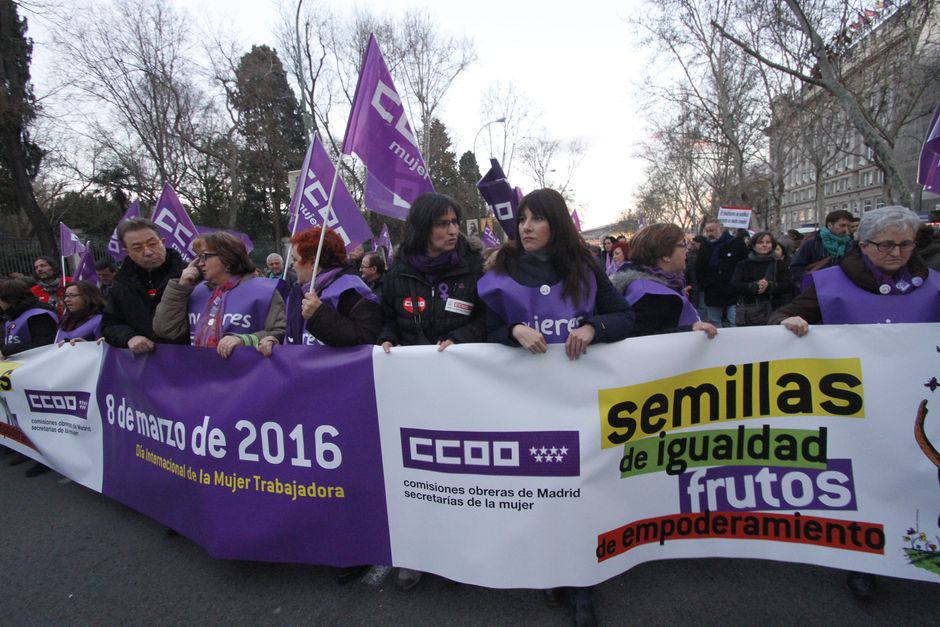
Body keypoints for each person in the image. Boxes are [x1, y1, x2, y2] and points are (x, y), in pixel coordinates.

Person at [479, 188, 634, 625]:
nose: (525, 227)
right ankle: (551, 567)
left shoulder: (583, 267)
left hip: (580, 403)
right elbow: (486, 328)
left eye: (536, 219)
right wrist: (512, 330)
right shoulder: (503, 268)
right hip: (526, 403)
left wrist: (593, 327)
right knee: (543, 491)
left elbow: (624, 316)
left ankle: (583, 584)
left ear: (556, 224)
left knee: (580, 489)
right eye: (522, 219)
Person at [770, 205, 940, 598]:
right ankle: (865, 562)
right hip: (855, 408)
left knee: (916, 478)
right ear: (863, 245)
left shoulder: (933, 284)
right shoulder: (828, 282)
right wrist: (789, 324)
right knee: (865, 482)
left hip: (916, 404)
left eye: (905, 244)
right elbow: (782, 316)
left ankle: (918, 545)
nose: (897, 253)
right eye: (886, 245)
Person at [378, 192, 485, 591]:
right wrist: (386, 338)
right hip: (414, 395)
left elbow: (488, 320)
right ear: (423, 228)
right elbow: (386, 317)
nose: (453, 230)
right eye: (443, 223)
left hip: (465, 392)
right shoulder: (398, 272)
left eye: (455, 221)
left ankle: (470, 547)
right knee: (418, 472)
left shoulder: (475, 268)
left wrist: (461, 338)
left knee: (463, 471)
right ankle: (418, 552)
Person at [153, 232, 285, 358]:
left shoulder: (264, 291)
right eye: (198, 257)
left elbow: (280, 333)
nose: (200, 263)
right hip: (200, 374)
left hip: (246, 376)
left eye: (204, 256)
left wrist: (244, 340)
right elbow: (165, 330)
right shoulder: (194, 291)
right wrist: (181, 286)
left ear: (227, 258)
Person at [269, 226, 381, 350]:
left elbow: (368, 339)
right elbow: (293, 335)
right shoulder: (297, 291)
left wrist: (319, 315)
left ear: (313, 263)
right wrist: (276, 341)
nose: (292, 265)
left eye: (295, 259)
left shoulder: (353, 291)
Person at [610, 223, 717, 338]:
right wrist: (689, 330)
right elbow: (641, 339)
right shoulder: (649, 295)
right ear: (666, 255)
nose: (687, 250)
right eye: (683, 244)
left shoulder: (657, 285)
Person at [102, 218, 187, 354]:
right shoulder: (121, 283)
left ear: (163, 242)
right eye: (137, 248)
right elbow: (110, 324)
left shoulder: (189, 276)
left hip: (185, 357)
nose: (148, 252)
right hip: (143, 363)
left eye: (153, 244)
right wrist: (129, 337)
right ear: (127, 252)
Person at [0, 278, 58, 477]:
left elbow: (44, 343)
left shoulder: (37, 315)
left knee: (40, 417)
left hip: (40, 373)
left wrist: (6, 350)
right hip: (19, 374)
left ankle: (46, 456)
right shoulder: (13, 315)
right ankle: (27, 447)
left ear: (9, 298)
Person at [730, 232, 793, 327]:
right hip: (750, 312)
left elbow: (788, 285)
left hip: (774, 311)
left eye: (768, 242)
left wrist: (769, 286)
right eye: (760, 242)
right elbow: (735, 284)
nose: (764, 245)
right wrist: (754, 286)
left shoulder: (779, 264)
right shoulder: (743, 264)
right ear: (753, 245)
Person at [695, 218, 748, 327]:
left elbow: (745, 264)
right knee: (714, 323)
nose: (709, 234)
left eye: (712, 230)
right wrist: (705, 283)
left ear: (722, 229)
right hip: (712, 291)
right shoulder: (705, 245)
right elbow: (699, 267)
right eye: (707, 231)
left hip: (734, 292)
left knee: (735, 321)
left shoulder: (736, 243)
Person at [789, 209, 854, 287]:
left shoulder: (851, 244)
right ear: (830, 225)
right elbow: (796, 267)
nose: (846, 230)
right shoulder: (813, 243)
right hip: (817, 289)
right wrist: (811, 281)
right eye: (842, 225)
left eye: (848, 226)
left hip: (843, 288)